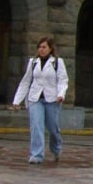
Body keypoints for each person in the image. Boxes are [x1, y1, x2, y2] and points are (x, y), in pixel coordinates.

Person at [10, 36, 68, 164]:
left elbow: (63, 80)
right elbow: (25, 82)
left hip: (52, 99)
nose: (41, 49)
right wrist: (17, 101)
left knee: (53, 128)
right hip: (35, 98)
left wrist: (61, 94)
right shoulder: (33, 62)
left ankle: (56, 149)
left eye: (44, 47)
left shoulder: (57, 62)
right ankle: (37, 155)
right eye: (39, 47)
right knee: (36, 126)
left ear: (50, 48)